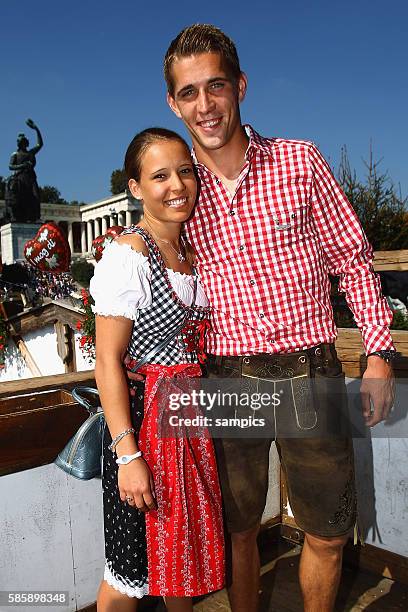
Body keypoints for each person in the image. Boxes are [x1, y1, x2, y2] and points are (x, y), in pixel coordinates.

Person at [160, 24, 396, 612]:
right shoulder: (178, 189)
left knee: (326, 529)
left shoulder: (302, 161)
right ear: (173, 102)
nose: (205, 105)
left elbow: (353, 259)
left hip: (308, 368)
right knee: (238, 528)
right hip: (226, 375)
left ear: (240, 85)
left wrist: (377, 351)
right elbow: (144, 254)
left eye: (215, 86)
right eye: (189, 92)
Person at [90, 127, 225, 612]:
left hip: (188, 423)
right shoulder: (129, 255)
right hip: (145, 430)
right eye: (161, 175)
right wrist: (128, 456)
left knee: (179, 562)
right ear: (135, 187)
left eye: (185, 171)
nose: (177, 185)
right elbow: (108, 361)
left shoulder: (190, 253)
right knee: (131, 571)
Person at [5, 118, 43, 223]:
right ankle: (20, 217)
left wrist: (36, 129)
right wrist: (23, 165)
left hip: (31, 178)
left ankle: (35, 217)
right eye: (21, 142)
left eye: (24, 141)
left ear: (26, 143)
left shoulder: (30, 153)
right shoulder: (15, 154)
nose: (23, 143)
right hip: (20, 179)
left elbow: (40, 144)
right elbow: (10, 166)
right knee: (21, 199)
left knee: (35, 197)